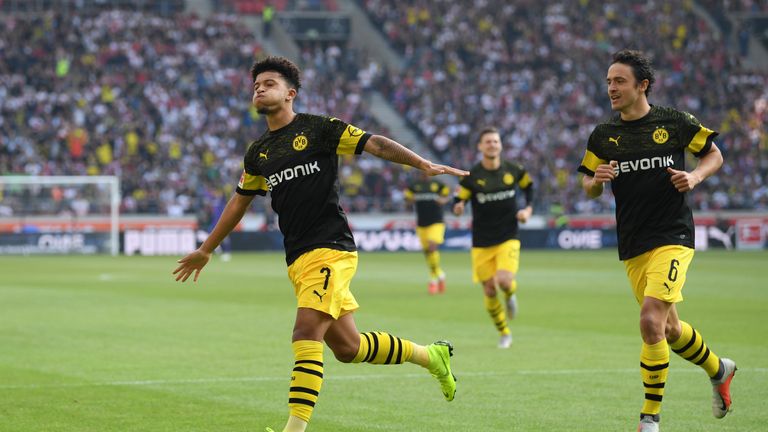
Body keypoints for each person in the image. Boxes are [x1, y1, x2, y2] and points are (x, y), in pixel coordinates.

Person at [172, 56, 466, 432]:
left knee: (305, 333)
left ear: (290, 93)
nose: (259, 89)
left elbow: (374, 144)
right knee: (349, 348)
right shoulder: (259, 152)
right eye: (256, 85)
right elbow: (240, 200)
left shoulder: (320, 129)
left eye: (269, 84)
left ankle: (293, 430)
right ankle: (431, 356)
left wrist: (421, 163)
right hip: (297, 258)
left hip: (331, 247)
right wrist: (207, 247)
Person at [577, 49, 736, 432]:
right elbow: (586, 187)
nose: (611, 88)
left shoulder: (675, 122)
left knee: (649, 320)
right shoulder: (604, 135)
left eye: (619, 81)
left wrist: (695, 177)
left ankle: (649, 419)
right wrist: (596, 181)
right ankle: (719, 369)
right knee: (667, 329)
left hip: (673, 235)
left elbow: (714, 155)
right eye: (609, 82)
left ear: (642, 85)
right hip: (633, 243)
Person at [452, 127, 533, 349]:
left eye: (495, 141)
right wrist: (458, 207)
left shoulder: (514, 170)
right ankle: (504, 333)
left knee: (504, 281)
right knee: (488, 290)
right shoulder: (472, 177)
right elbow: (459, 200)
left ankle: (510, 295)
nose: (492, 145)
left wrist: (527, 209)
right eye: (487, 142)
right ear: (480, 146)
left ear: (501, 145)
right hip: (481, 241)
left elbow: (529, 187)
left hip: (508, 236)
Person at [404, 169, 451, 294]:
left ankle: (433, 280)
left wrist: (443, 200)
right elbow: (407, 199)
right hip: (422, 223)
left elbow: (447, 195)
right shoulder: (414, 186)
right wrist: (409, 201)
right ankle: (440, 275)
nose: (425, 173)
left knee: (432, 247)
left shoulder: (438, 184)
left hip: (436, 221)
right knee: (427, 253)